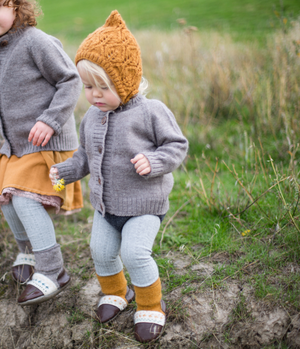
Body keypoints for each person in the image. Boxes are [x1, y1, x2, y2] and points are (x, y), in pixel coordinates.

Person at [50, 10, 188, 343]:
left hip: (143, 205)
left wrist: (153, 161)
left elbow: (177, 145)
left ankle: (151, 305)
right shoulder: (91, 118)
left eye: (103, 86)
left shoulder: (151, 112)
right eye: (88, 86)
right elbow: (85, 156)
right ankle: (116, 292)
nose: (94, 94)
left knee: (134, 253)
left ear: (125, 81)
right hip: (105, 208)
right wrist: (63, 173)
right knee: (99, 250)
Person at [0, 0, 83, 305]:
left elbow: (70, 80)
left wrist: (50, 120)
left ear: (17, 6)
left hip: (47, 143)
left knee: (23, 197)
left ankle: (53, 270)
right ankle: (29, 251)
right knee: (6, 199)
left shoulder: (35, 42)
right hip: (14, 147)